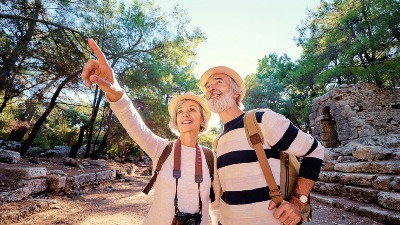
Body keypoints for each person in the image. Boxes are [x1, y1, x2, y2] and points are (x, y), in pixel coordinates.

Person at [81, 38, 218, 225]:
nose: (185, 114)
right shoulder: (162, 149)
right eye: (180, 111)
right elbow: (132, 121)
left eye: (192, 109)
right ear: (176, 119)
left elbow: (216, 204)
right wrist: (115, 90)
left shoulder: (211, 158)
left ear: (202, 118)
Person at [200, 66, 325, 225]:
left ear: (236, 92)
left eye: (218, 82)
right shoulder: (218, 141)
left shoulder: (261, 119)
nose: (211, 88)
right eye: (208, 86)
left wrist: (297, 202)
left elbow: (314, 150)